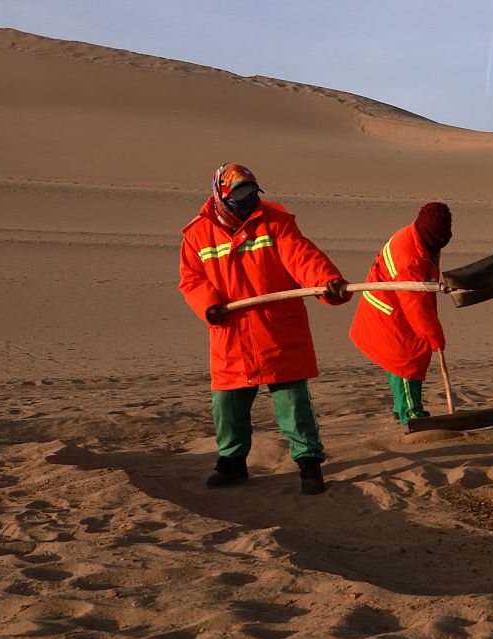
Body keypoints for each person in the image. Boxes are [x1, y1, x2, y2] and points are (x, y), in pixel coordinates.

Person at [179, 163, 353, 495]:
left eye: (252, 195)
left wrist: (327, 282)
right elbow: (191, 280)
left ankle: (309, 463)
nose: (248, 203)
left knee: (293, 405)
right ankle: (232, 463)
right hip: (232, 335)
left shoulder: (275, 222)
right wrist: (208, 304)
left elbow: (302, 257)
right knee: (227, 406)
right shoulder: (197, 233)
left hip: (278, 332)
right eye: (240, 197)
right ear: (221, 197)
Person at [349, 202, 451, 424]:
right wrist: (434, 335)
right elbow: (415, 303)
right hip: (386, 313)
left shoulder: (425, 240)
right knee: (406, 360)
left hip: (398, 307)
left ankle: (401, 407)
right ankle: (411, 415)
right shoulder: (408, 254)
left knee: (406, 356)